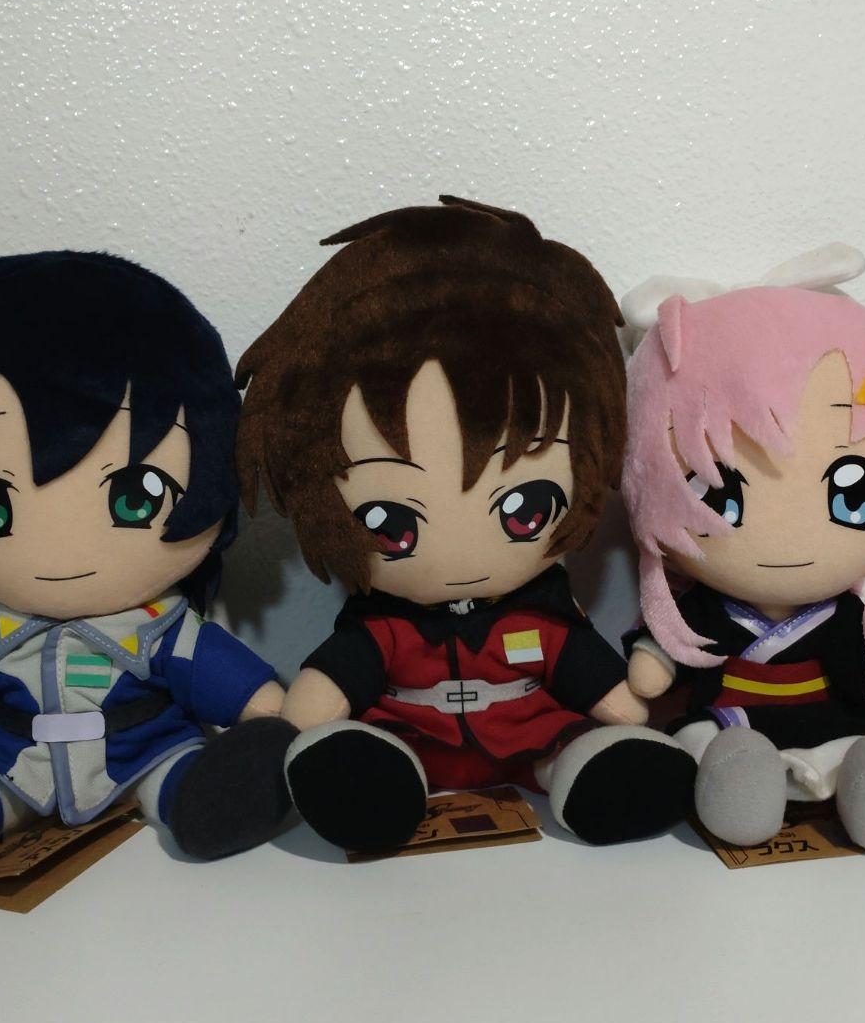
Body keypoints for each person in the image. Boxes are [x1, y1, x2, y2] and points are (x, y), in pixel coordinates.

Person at [235, 196, 696, 851]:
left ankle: (593, 776)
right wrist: (295, 723)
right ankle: (375, 785)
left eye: (523, 509)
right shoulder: (383, 629)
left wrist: (626, 713)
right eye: (392, 521)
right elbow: (321, 696)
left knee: (586, 747)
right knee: (362, 761)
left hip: (537, 740)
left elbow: (612, 697)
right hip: (405, 741)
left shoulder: (544, 620)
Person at [0, 251, 296, 893]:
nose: (62, 550)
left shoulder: (164, 631)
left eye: (135, 498)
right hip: (7, 762)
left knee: (189, 780)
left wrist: (285, 725)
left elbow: (262, 705)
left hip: (148, 752)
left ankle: (208, 803)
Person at [620, 266, 865, 851]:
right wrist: (654, 663)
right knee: (719, 752)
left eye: (851, 493)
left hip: (829, 719)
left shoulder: (843, 614)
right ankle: (741, 794)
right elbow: (655, 665)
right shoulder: (707, 610)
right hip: (731, 720)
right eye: (719, 494)